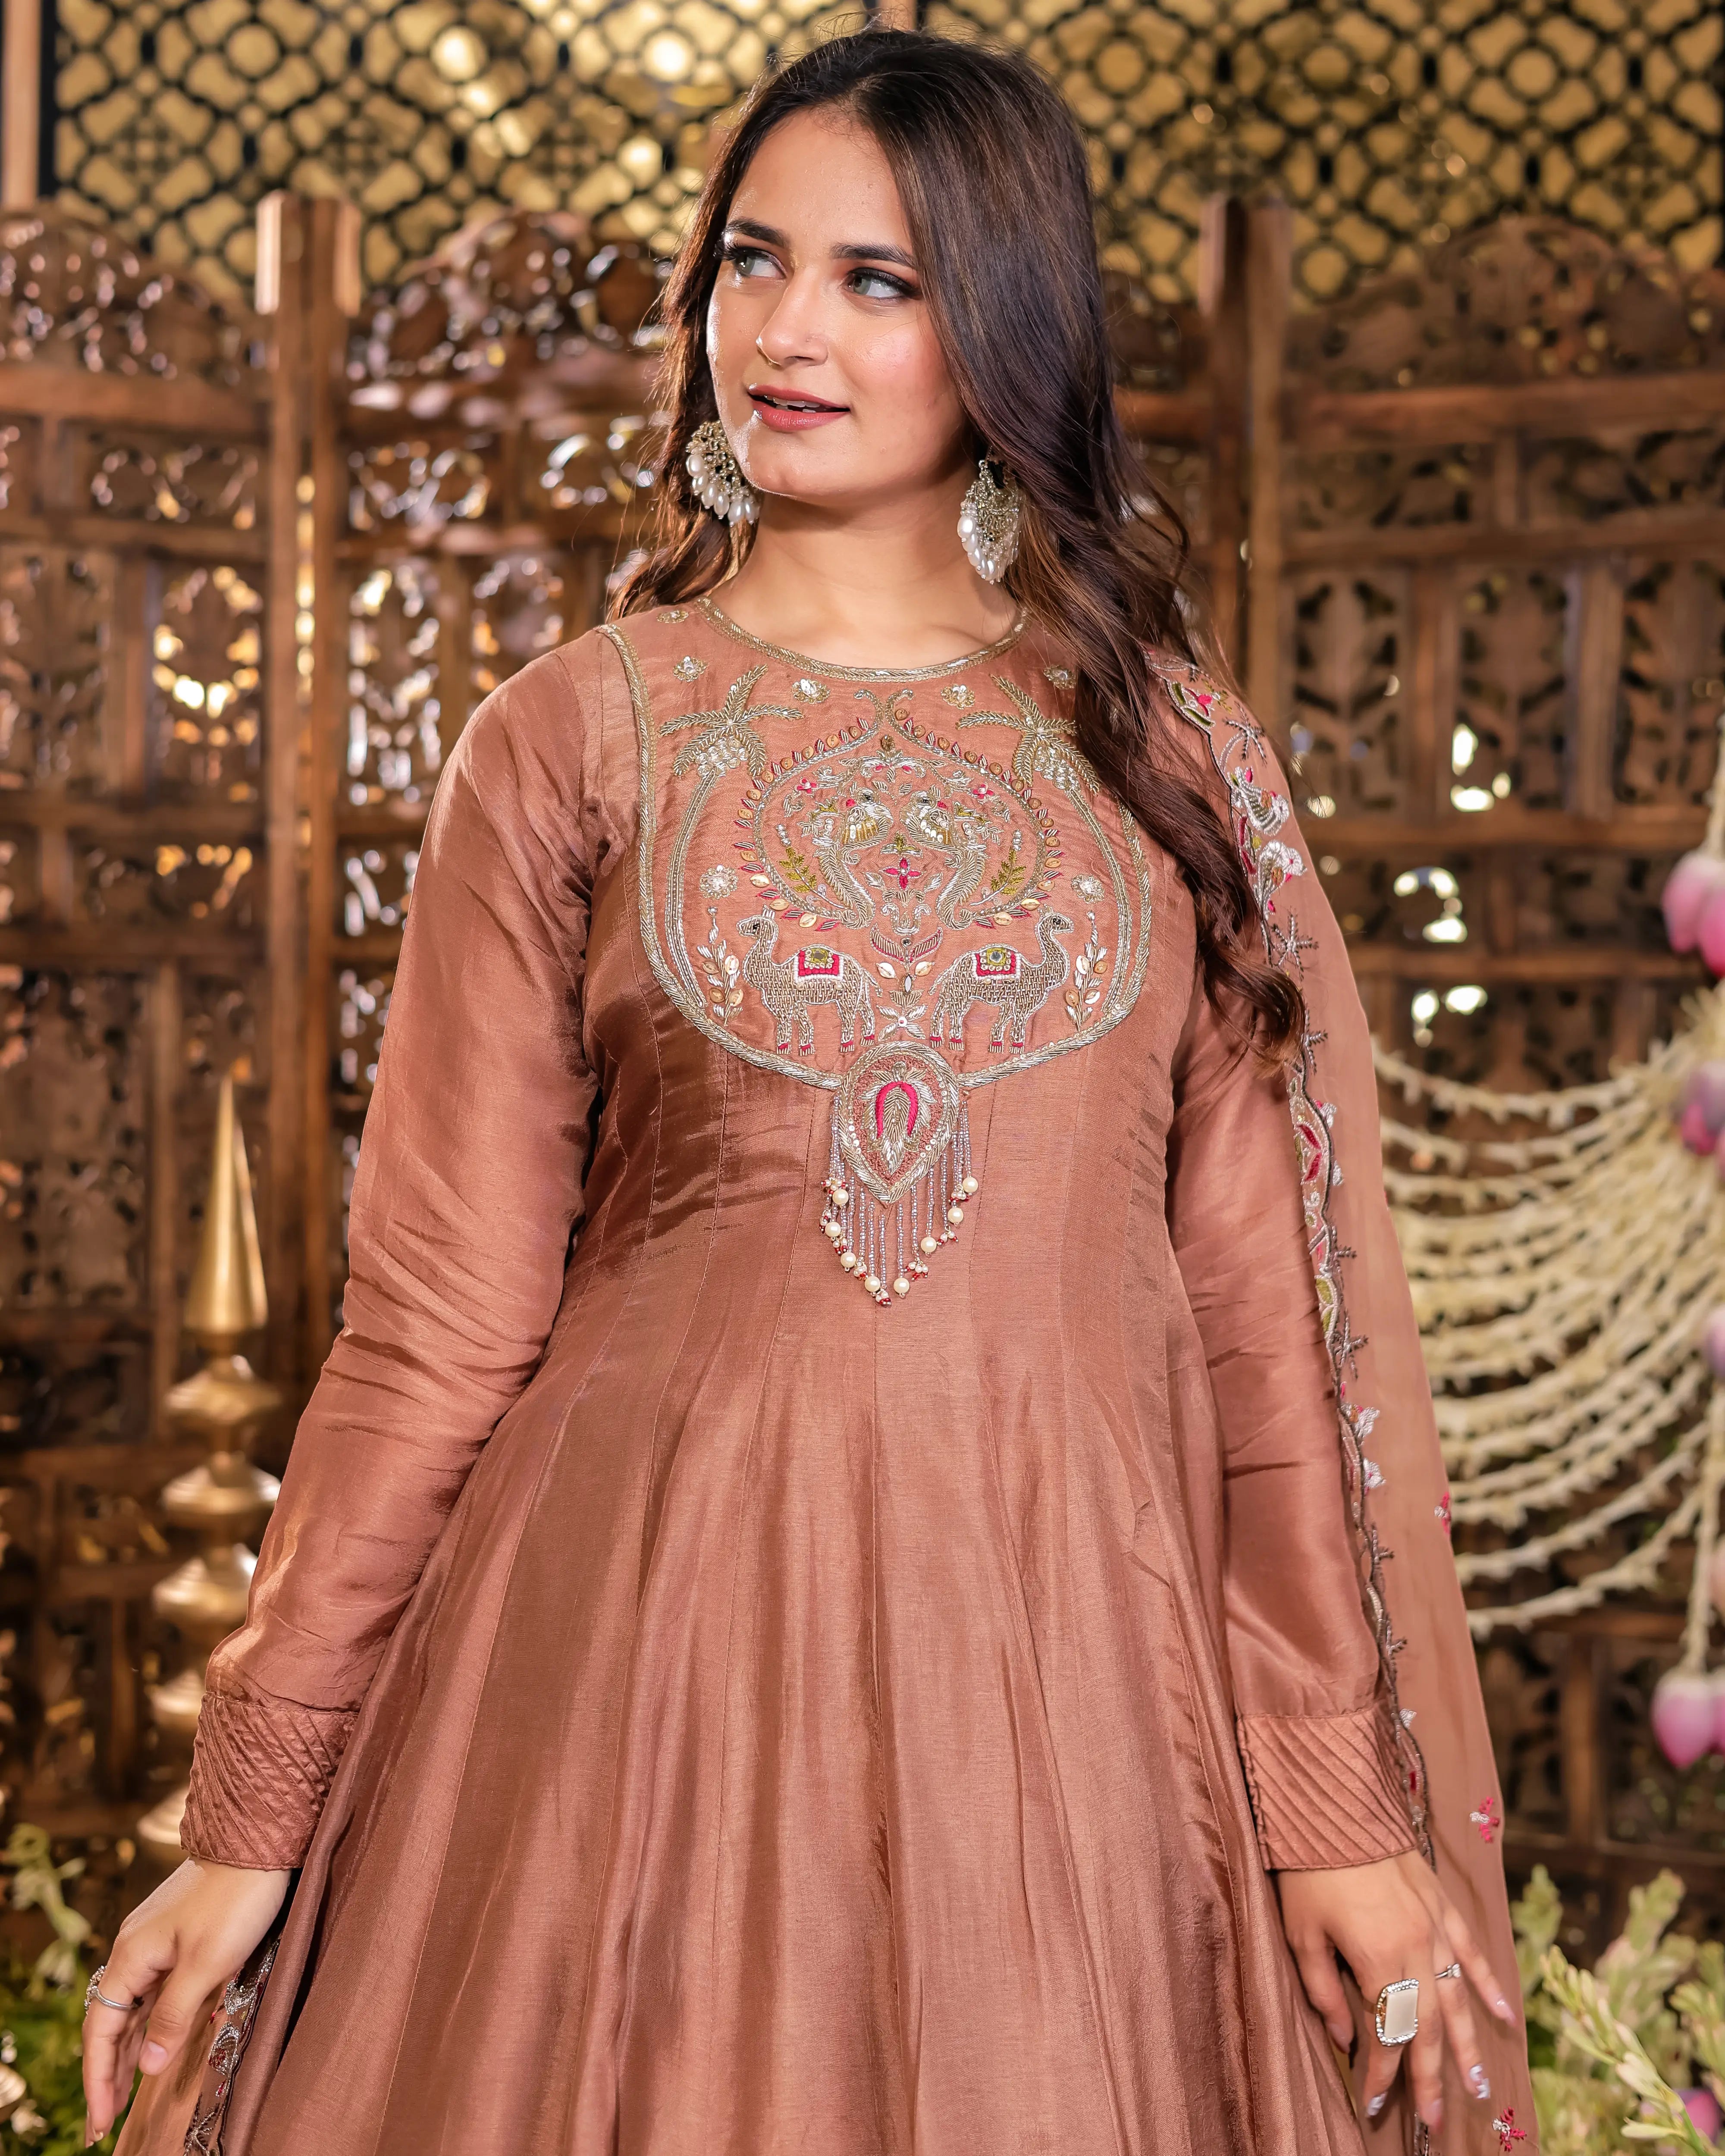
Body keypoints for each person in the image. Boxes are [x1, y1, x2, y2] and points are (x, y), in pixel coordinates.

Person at [90, 29, 1533, 2156]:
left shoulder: (1171, 761)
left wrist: (1328, 1796)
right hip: (630, 1660)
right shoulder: (569, 739)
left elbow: (1264, 1333)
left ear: (1005, 326)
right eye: (751, 261)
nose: (784, 331)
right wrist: (257, 1802)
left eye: (880, 280)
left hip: (1075, 1688)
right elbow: (436, 1320)